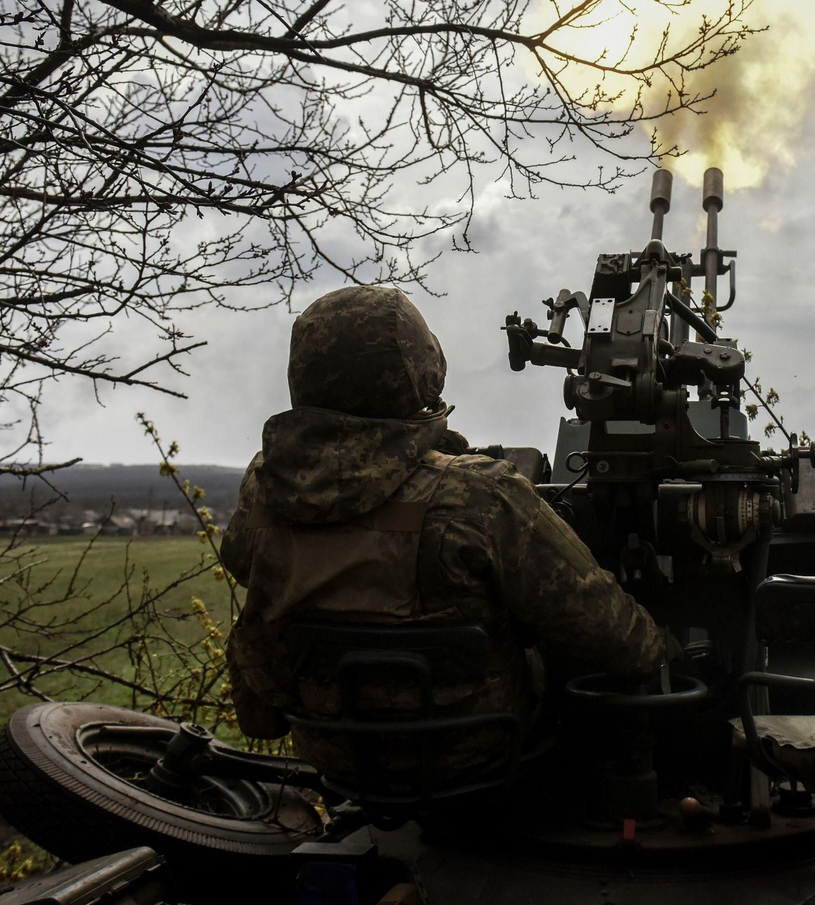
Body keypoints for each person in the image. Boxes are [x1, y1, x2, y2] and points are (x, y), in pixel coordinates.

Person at [221, 285, 672, 789]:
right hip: (475, 758)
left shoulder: (263, 489)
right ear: (420, 370)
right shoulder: (478, 494)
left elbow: (246, 562)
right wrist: (665, 642)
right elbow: (615, 639)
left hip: (337, 754)